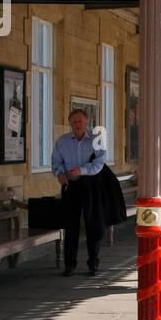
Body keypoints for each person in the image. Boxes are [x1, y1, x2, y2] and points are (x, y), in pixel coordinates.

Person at [51, 109, 107, 276]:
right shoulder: (62, 142)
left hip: (90, 184)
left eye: (80, 122)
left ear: (86, 123)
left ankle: (93, 263)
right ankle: (70, 264)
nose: (77, 125)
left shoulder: (96, 141)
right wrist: (59, 174)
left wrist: (82, 170)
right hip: (71, 185)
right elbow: (56, 162)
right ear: (70, 123)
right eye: (74, 122)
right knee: (70, 225)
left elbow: (99, 163)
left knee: (92, 224)